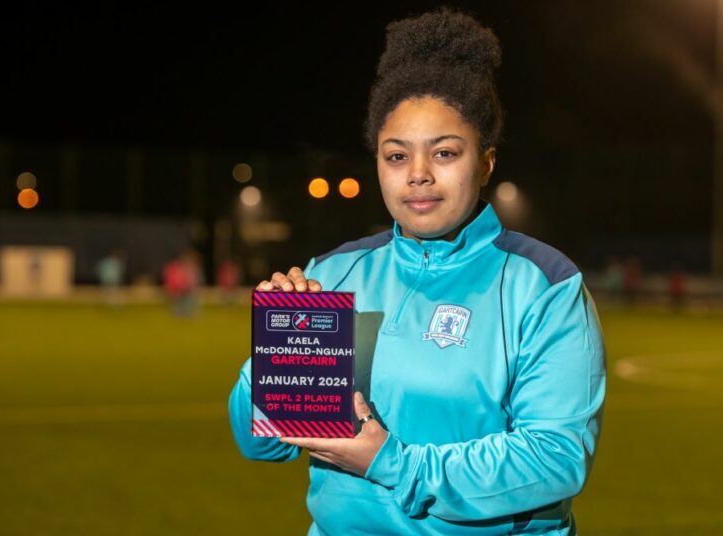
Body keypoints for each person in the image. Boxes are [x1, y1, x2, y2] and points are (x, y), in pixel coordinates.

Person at [229, 8, 606, 535]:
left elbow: (555, 459)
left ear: (486, 162)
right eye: (396, 156)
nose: (419, 175)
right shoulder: (334, 273)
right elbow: (262, 442)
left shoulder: (542, 285)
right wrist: (274, 349)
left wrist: (392, 463)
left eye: (445, 152)